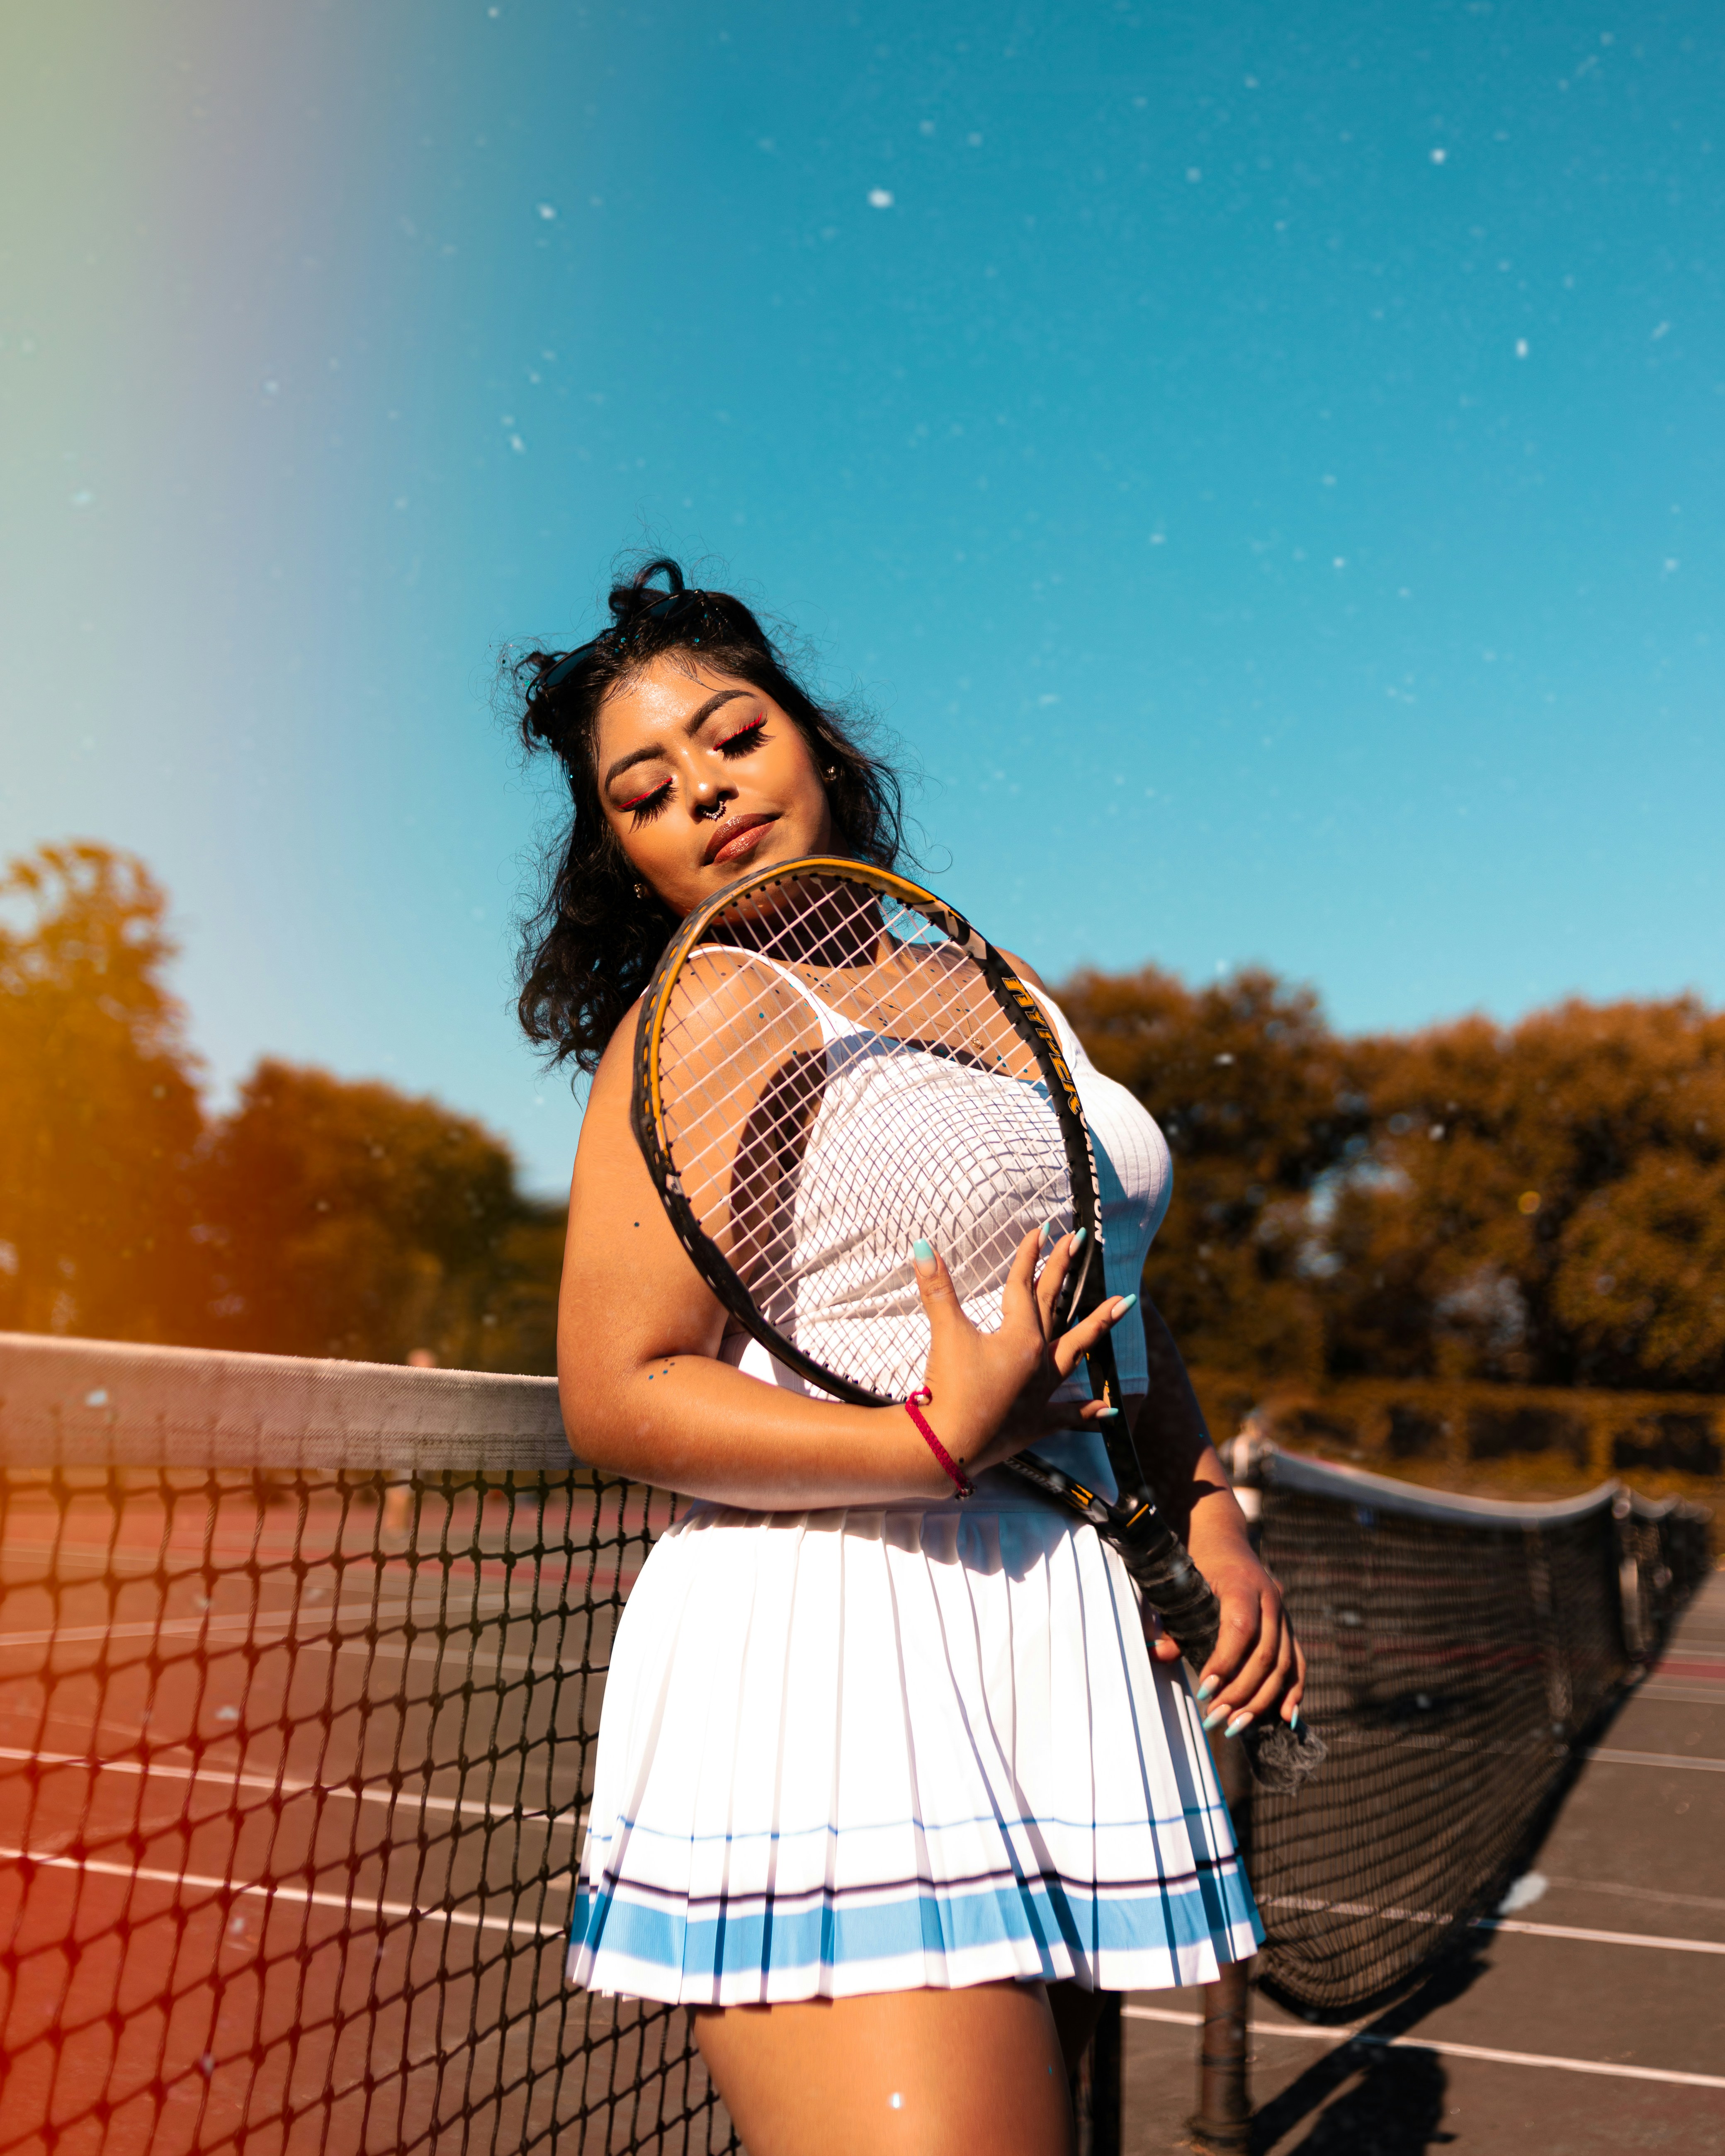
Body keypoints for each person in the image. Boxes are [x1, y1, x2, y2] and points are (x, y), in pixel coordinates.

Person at [515, 560, 1304, 2156]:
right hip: (838, 1646)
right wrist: (931, 1442)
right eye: (645, 794)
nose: (703, 795)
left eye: (732, 736)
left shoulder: (1000, 988)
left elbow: (1113, 1297)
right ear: (626, 856)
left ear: (819, 740)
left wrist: (1202, 1508)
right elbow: (618, 1390)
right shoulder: (717, 1012)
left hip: (1050, 1634)